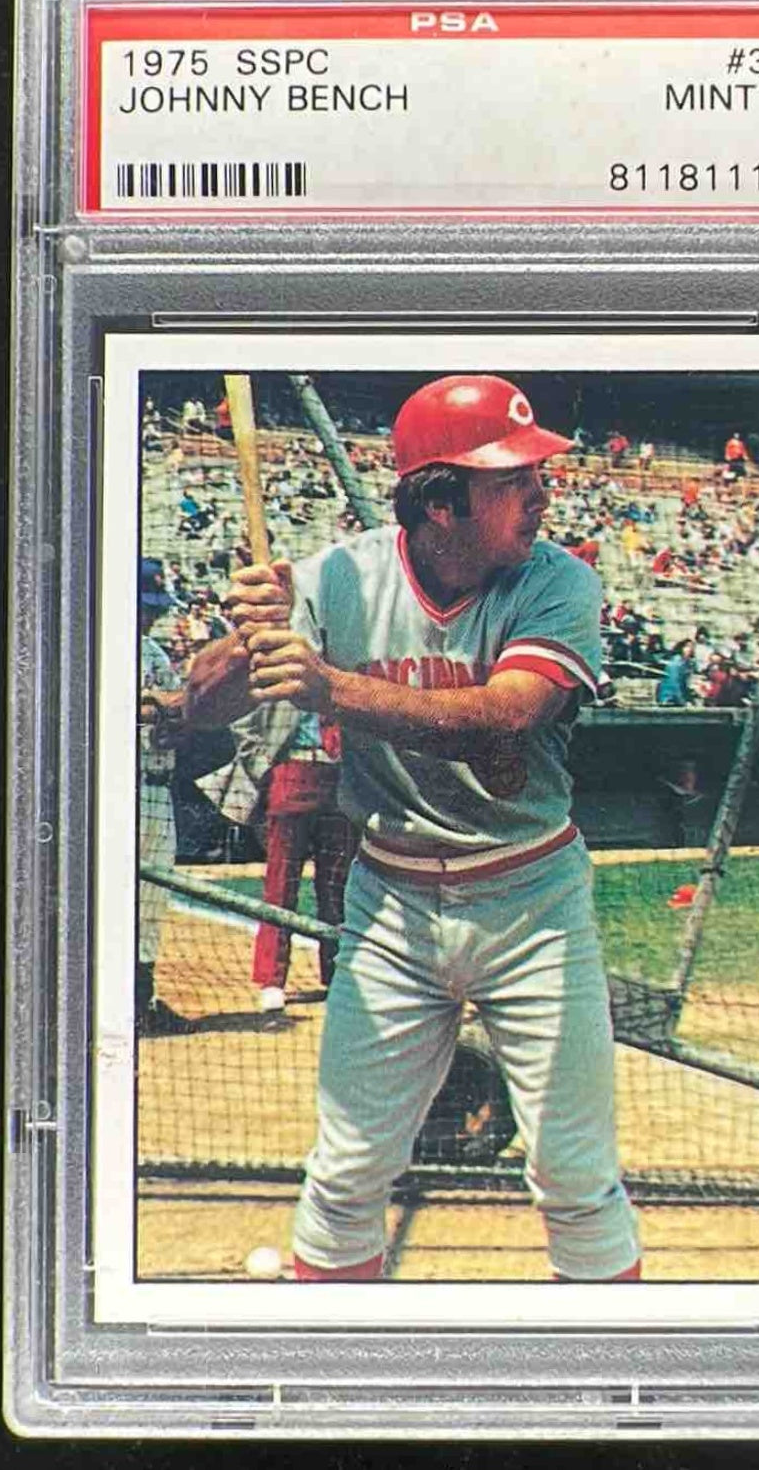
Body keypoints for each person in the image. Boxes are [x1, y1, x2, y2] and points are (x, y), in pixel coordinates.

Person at [186, 374, 641, 1284]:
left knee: (576, 1179)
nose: (541, 493)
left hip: (530, 900)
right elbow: (200, 704)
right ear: (440, 501)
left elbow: (504, 716)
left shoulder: (558, 581)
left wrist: (327, 685)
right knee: (344, 1175)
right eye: (513, 478)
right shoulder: (337, 576)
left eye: (535, 474)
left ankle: (603, 1367)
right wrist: (250, 641)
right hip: (389, 902)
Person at [251, 712, 358, 1008]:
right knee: (280, 884)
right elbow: (243, 719)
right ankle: (272, 979)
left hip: (339, 779)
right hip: (291, 771)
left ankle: (337, 975)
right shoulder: (282, 681)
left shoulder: (344, 683)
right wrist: (263, 768)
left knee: (338, 886)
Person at [138, 557, 193, 1036]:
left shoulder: (153, 651)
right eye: (146, 604)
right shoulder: (104, 643)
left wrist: (165, 711)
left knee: (153, 900)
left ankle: (143, 999)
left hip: (160, 786)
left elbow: (181, 711)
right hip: (127, 790)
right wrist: (160, 706)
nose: (152, 614)